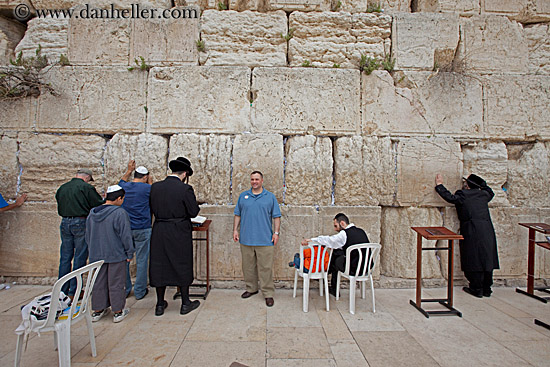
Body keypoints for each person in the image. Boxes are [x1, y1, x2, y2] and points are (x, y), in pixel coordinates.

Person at [149, 157, 201, 316]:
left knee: (159, 264)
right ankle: (185, 303)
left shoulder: (155, 187)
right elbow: (193, 212)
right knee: (182, 263)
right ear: (185, 174)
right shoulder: (185, 189)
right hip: (179, 231)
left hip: (159, 229)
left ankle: (159, 304)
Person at [435, 173, 499, 298]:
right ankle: (487, 288)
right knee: (487, 258)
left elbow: (450, 198)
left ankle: (476, 288)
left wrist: (439, 185)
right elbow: (490, 192)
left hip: (471, 228)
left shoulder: (463, 195)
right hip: (486, 229)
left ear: (468, 186)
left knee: (473, 257)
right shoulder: (484, 195)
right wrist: (482, 184)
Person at [87, 185, 134, 323]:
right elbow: (125, 235)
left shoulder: (93, 212)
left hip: (97, 253)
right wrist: (129, 252)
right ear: (119, 198)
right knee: (116, 282)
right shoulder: (119, 213)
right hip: (115, 253)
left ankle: (98, 310)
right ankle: (118, 311)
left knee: (99, 282)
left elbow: (88, 234)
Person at [233, 171, 281, 307]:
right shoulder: (243, 196)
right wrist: (235, 230)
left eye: (257, 179)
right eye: (252, 179)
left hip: (265, 239)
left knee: (266, 268)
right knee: (248, 267)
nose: (254, 182)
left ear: (262, 181)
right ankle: (251, 289)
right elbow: (237, 214)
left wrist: (276, 233)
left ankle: (268, 293)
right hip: (246, 239)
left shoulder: (270, 197)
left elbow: (276, 216)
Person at [55, 168, 104, 299]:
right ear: (87, 177)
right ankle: (74, 291)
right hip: (80, 223)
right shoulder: (86, 188)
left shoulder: (63, 188)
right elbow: (98, 204)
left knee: (65, 257)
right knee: (79, 257)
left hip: (65, 222)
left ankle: (62, 291)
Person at [302, 213, 370, 296]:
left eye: (336, 226)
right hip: (366, 268)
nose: (335, 229)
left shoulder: (344, 234)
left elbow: (329, 240)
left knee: (336, 256)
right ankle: (328, 275)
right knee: (338, 252)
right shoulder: (361, 231)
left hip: (354, 269)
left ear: (342, 223)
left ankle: (326, 273)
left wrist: (311, 240)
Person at [119, 160, 153, 300]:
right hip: (142, 227)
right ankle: (139, 291)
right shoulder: (147, 188)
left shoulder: (124, 187)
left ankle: (126, 289)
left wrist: (128, 170)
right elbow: (154, 193)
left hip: (125, 228)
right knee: (142, 259)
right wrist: (150, 182)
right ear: (145, 177)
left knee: (125, 259)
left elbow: (120, 183)